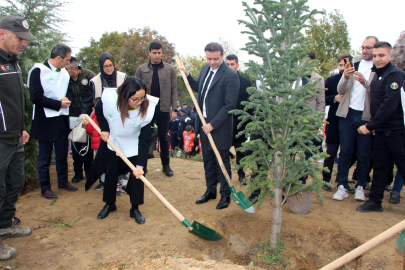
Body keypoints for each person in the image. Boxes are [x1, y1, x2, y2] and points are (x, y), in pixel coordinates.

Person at [83, 77, 158, 223]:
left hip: (134, 145)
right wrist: (104, 129)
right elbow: (98, 110)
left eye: (142, 98)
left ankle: (135, 208)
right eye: (135, 99)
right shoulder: (111, 100)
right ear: (125, 96)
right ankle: (110, 204)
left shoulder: (147, 109)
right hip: (114, 142)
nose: (139, 102)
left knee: (138, 176)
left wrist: (140, 166)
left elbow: (145, 139)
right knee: (111, 173)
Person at [178, 42, 239, 209]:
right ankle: (211, 190)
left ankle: (225, 195)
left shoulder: (230, 76)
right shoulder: (205, 69)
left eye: (215, 59)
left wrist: (212, 124)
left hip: (219, 126)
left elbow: (229, 105)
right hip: (203, 124)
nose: (212, 62)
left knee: (222, 162)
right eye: (209, 58)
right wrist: (187, 75)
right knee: (209, 161)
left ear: (222, 56)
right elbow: (199, 87)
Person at [0, 15, 36, 260]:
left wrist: (22, 126)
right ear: (2, 33)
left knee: (14, 183)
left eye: (26, 39)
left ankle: (5, 224)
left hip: (15, 135)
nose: (24, 43)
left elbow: (15, 101)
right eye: (19, 38)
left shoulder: (13, 62)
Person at [356, 41, 405, 212]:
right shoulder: (376, 76)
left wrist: (369, 126)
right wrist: (375, 127)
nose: (377, 59)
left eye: (381, 55)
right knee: (380, 166)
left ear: (390, 56)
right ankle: (375, 201)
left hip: (397, 132)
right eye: (375, 56)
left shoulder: (396, 75)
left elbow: (389, 105)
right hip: (381, 132)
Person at [28, 44, 78, 200]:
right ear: (58, 58)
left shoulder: (64, 72)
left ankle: (63, 181)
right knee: (45, 155)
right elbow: (35, 97)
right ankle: (45, 187)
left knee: (62, 152)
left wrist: (66, 100)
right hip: (45, 119)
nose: (68, 64)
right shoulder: (37, 71)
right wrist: (58, 104)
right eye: (67, 60)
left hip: (62, 117)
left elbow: (69, 90)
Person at [333, 36, 378, 201]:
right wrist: (345, 76)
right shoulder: (354, 65)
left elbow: (379, 94)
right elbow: (340, 89)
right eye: (363, 47)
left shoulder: (378, 69)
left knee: (364, 154)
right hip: (348, 114)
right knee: (344, 152)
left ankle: (360, 186)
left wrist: (366, 83)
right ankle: (342, 186)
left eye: (369, 47)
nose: (365, 50)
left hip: (366, 117)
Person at [135, 42, 177, 177]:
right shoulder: (141, 69)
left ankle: (166, 165)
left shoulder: (170, 69)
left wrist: (174, 109)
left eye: (159, 52)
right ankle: (142, 166)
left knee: (164, 137)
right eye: (154, 52)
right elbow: (135, 89)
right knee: (144, 137)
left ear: (162, 53)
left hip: (163, 108)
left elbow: (174, 90)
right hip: (146, 108)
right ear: (149, 53)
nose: (157, 55)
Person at [322, 54, 351, 191]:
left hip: (350, 121)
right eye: (340, 65)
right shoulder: (331, 80)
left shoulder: (356, 80)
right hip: (333, 121)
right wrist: (334, 98)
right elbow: (323, 99)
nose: (342, 68)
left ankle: (341, 180)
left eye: (345, 65)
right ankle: (326, 180)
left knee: (347, 153)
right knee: (331, 153)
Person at [66, 56, 95, 183]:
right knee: (75, 144)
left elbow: (93, 94)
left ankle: (89, 171)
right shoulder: (64, 78)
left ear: (73, 69)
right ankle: (78, 172)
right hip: (72, 115)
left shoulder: (89, 75)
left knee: (87, 144)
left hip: (87, 116)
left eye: (66, 69)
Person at [299, 52, 325, 184]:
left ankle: (302, 179)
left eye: (307, 60)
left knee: (306, 152)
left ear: (313, 61)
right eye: (301, 60)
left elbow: (321, 103)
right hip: (292, 124)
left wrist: (317, 123)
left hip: (309, 123)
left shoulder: (319, 79)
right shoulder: (293, 78)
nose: (304, 63)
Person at [226, 54, 252, 184]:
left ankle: (241, 175)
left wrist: (250, 122)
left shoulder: (246, 82)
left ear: (237, 65)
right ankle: (225, 175)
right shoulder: (221, 80)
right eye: (227, 64)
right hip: (224, 122)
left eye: (232, 64)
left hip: (240, 122)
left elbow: (250, 103)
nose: (230, 67)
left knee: (240, 151)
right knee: (224, 150)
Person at [80, 52, 127, 116]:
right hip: (101, 115)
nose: (109, 68)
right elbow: (88, 101)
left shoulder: (123, 77)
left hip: (120, 114)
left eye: (111, 65)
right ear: (101, 67)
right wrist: (83, 115)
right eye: (106, 66)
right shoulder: (94, 81)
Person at [85, 98, 104, 190]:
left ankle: (108, 181)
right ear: (93, 108)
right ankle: (102, 181)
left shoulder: (106, 117)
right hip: (96, 146)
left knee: (106, 163)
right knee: (99, 163)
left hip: (105, 144)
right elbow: (89, 132)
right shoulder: (91, 118)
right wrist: (86, 125)